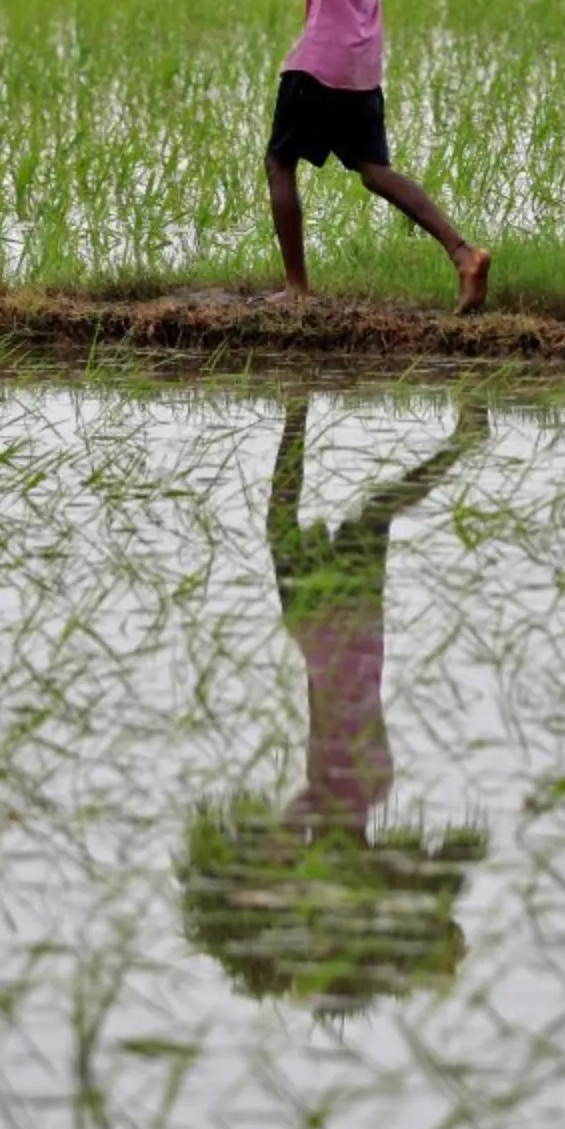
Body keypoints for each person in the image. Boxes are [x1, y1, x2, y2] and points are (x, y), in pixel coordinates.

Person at [177, 395, 491, 1018]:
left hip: (328, 632)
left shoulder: (351, 798)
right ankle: (459, 438)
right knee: (362, 516)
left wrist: (267, 902)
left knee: (323, 520)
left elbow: (288, 847)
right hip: (340, 632)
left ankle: (304, 417)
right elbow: (289, 846)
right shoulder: (351, 794)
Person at [257, 0, 490, 314]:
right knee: (373, 169)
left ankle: (296, 287)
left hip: (320, 56)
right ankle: (463, 253)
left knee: (279, 162)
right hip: (362, 60)